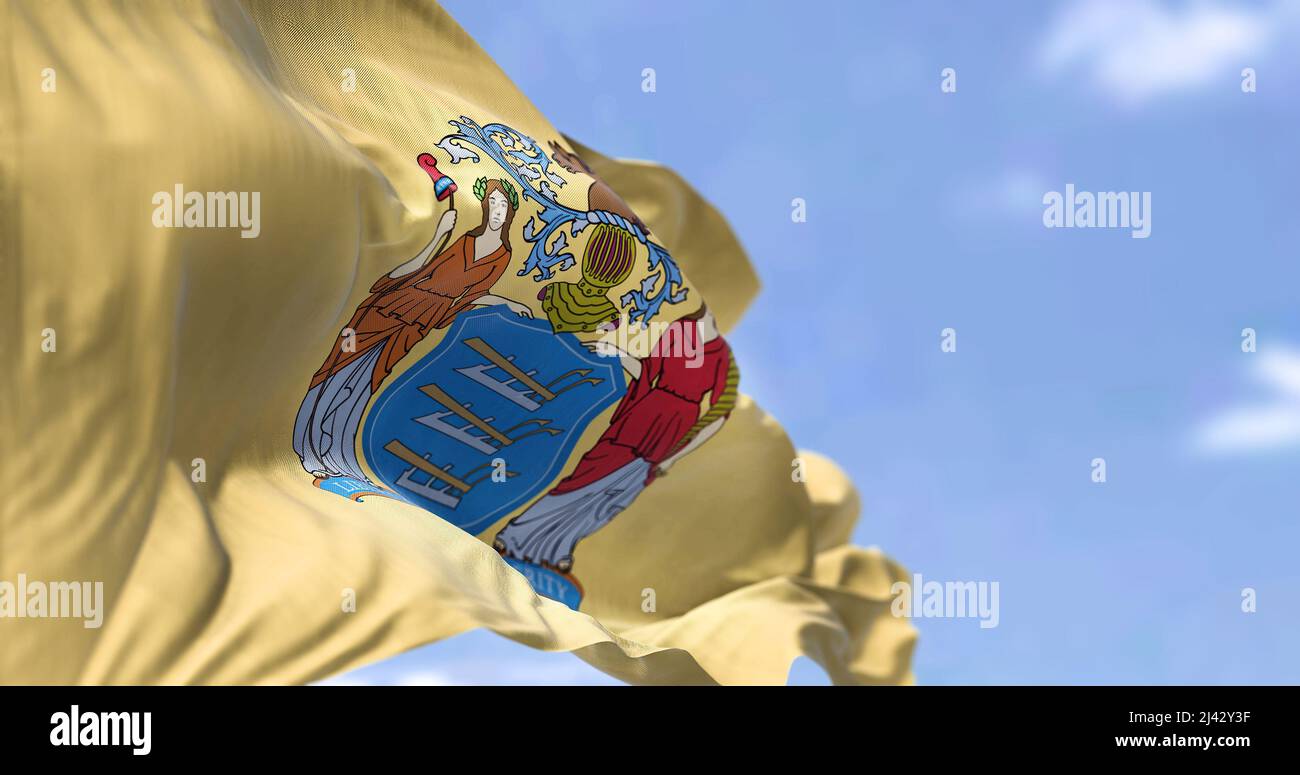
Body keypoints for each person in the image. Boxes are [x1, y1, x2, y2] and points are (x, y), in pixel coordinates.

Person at [293, 178, 532, 482]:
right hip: (398, 301)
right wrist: (439, 234)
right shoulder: (465, 239)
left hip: (424, 317)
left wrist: (506, 302)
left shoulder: (502, 256)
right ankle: (309, 443)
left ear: (510, 212)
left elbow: (473, 295)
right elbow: (423, 267)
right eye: (494, 203)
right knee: (343, 364)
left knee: (371, 377)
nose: (498, 210)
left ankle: (336, 452)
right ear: (485, 207)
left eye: (504, 205)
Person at [494, 304, 738, 573]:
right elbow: (647, 370)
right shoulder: (680, 330)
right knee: (590, 474)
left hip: (673, 429)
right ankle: (516, 534)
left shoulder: (723, 357)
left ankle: (555, 550)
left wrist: (675, 456)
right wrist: (617, 353)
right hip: (647, 412)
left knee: (618, 493)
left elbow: (719, 413)